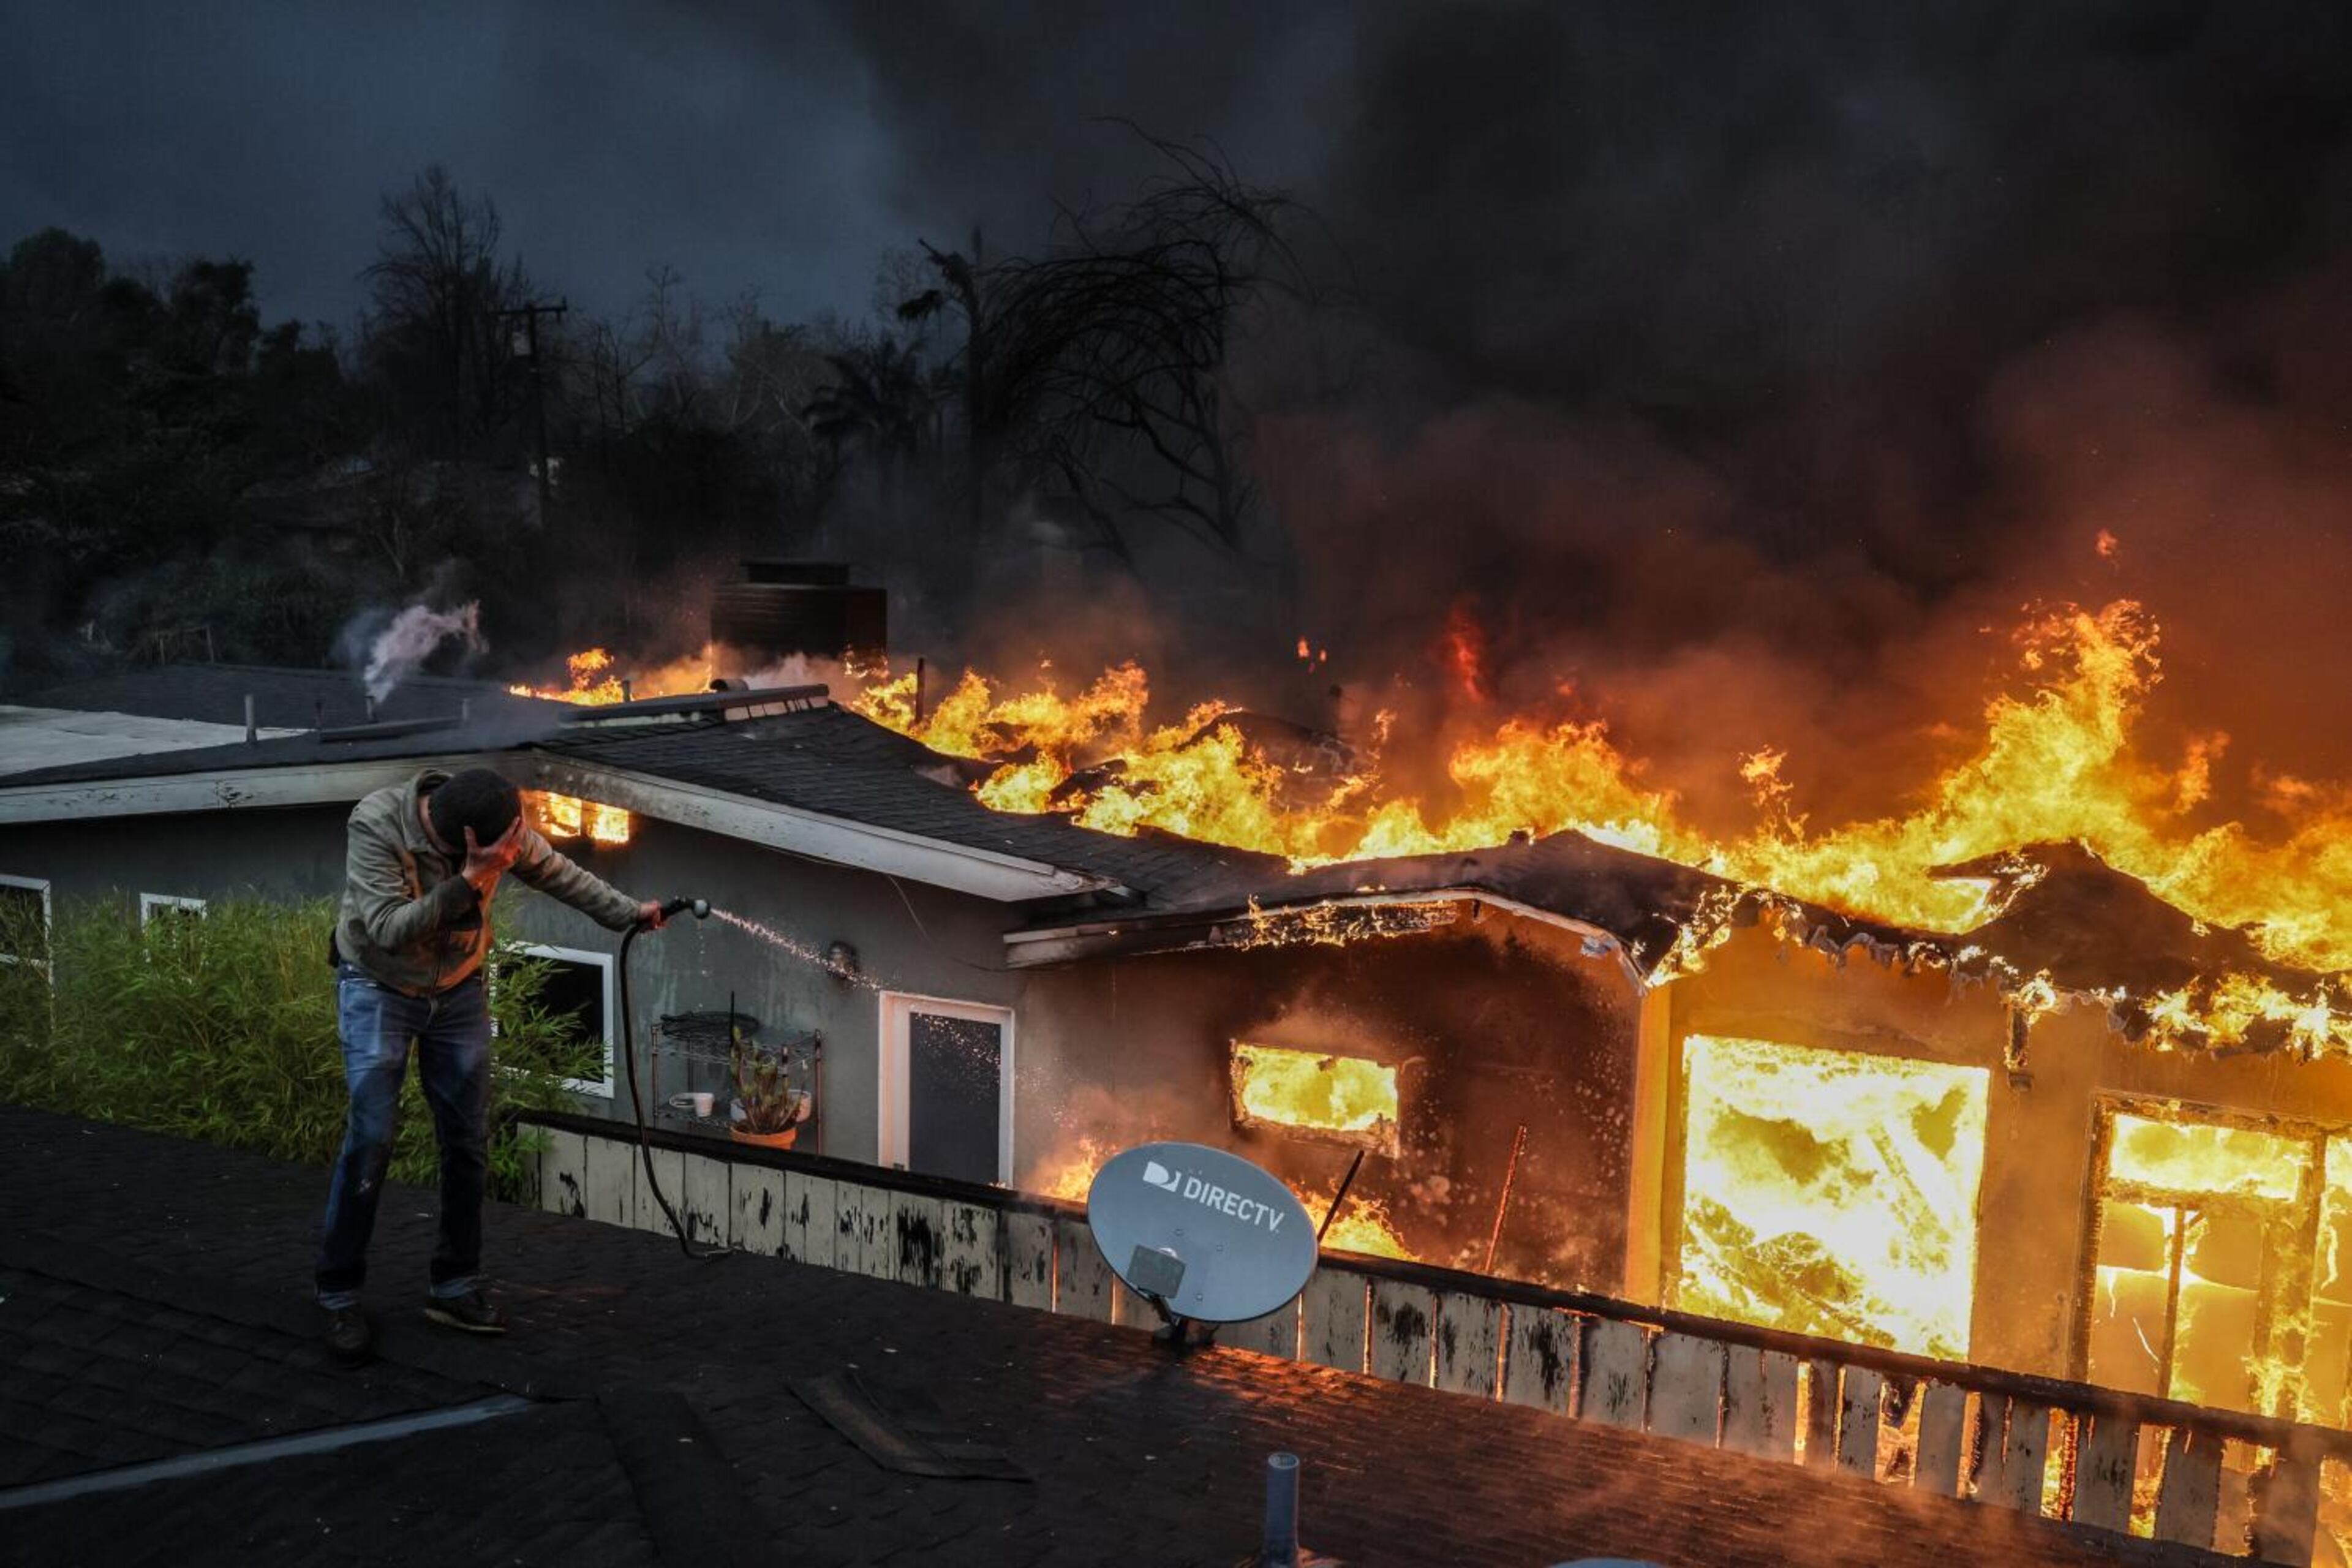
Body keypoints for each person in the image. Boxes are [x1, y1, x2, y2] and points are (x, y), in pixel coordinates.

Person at [316, 765, 662, 1362]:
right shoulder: (378, 823)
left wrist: (628, 912)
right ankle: (339, 1292)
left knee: (468, 1140)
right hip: (378, 986)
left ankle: (454, 1285)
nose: (515, 851)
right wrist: (473, 880)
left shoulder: (500, 827)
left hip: (457, 990)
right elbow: (387, 928)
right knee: (371, 1137)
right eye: (500, 849)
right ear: (465, 841)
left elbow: (558, 871)